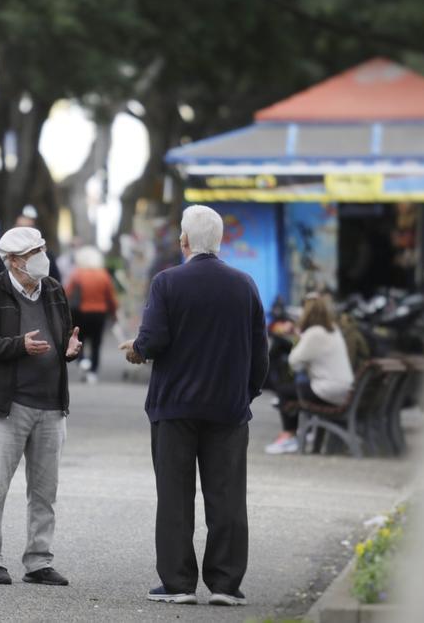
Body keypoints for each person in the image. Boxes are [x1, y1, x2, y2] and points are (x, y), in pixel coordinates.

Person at [119, 205, 268, 607]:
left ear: (184, 241)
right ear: (220, 242)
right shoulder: (245, 285)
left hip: (175, 408)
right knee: (228, 498)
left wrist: (136, 350)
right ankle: (225, 584)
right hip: (228, 409)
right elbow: (261, 354)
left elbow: (152, 340)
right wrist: (246, 393)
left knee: (175, 497)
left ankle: (178, 584)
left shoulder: (167, 282)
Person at [0, 226, 83, 587]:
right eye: (35, 251)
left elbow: (61, 338)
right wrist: (18, 346)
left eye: (43, 248)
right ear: (14, 261)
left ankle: (38, 561)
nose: (42, 256)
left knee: (45, 491)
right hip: (6, 405)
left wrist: (70, 349)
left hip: (50, 405)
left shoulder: (52, 289)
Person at [264, 293, 355, 455]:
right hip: (344, 389)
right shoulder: (333, 330)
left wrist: (300, 338)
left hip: (328, 391)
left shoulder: (314, 333)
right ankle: (297, 432)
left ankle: (289, 436)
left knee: (284, 391)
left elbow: (293, 361)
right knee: (296, 388)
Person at [64, 246, 119, 384]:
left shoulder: (77, 274)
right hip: (99, 314)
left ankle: (82, 362)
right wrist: (113, 313)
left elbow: (67, 293)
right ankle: (93, 370)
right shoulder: (103, 275)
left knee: (79, 339)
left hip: (80, 313)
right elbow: (111, 298)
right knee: (96, 343)